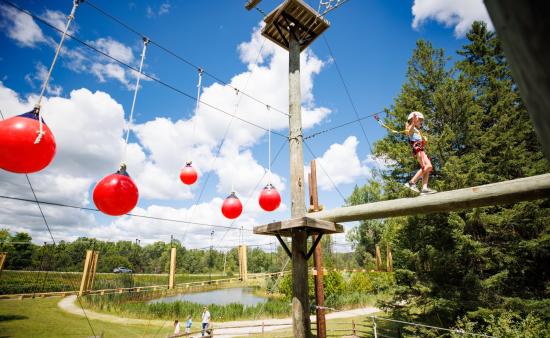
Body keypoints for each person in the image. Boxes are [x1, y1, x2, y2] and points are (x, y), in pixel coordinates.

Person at [403, 111, 437, 195]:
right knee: (426, 166)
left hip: (421, 149)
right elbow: (408, 132)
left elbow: (419, 139)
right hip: (417, 148)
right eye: (419, 120)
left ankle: (424, 188)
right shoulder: (411, 127)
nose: (421, 122)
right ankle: (411, 183)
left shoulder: (418, 130)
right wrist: (413, 123)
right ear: (412, 120)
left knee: (428, 167)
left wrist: (423, 139)